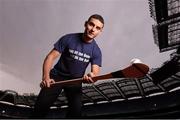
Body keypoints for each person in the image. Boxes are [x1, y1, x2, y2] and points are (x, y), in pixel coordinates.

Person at [31, 14, 104, 118]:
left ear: (100, 31)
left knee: (76, 112)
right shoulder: (69, 38)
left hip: (75, 81)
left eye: (97, 28)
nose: (93, 29)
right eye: (91, 25)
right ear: (85, 24)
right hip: (56, 78)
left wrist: (91, 76)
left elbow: (95, 72)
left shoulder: (96, 51)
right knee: (39, 109)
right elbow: (50, 57)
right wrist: (46, 77)